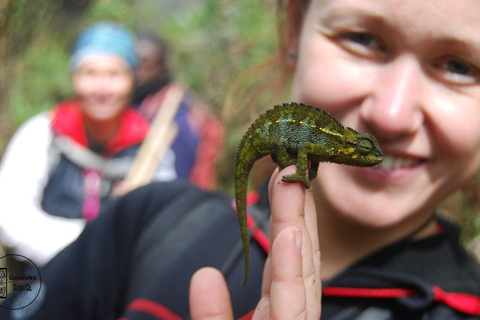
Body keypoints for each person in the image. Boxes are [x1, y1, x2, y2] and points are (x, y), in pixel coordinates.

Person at [1, 0, 480, 319]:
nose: (392, 115)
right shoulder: (147, 222)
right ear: (293, 29)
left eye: (461, 67)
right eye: (363, 38)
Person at [0, 22, 176, 266]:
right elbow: (13, 220)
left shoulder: (150, 147)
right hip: (43, 279)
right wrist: (91, 244)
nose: (102, 88)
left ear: (133, 80)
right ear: (74, 77)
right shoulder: (43, 134)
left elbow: (162, 226)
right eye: (90, 73)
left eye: (115, 75)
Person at [132, 32, 224, 190]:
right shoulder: (136, 103)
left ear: (162, 67)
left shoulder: (176, 111)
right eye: (135, 64)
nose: (139, 73)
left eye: (147, 65)